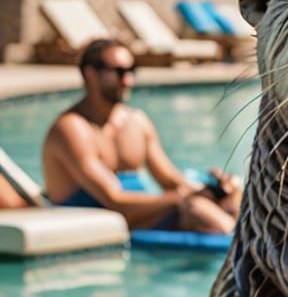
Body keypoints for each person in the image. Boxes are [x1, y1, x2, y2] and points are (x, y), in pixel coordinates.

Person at [42, 38, 241, 233]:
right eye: (119, 72)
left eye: (131, 70)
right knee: (198, 211)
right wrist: (184, 197)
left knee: (234, 195)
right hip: (103, 224)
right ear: (91, 74)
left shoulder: (136, 122)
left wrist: (210, 188)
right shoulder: (71, 129)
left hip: (144, 216)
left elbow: (168, 179)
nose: (128, 80)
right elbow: (113, 200)